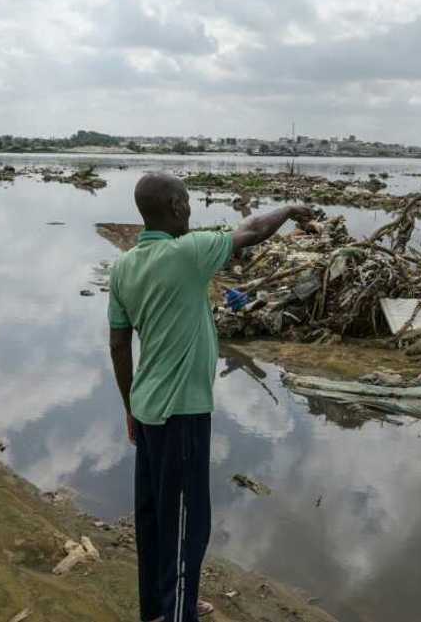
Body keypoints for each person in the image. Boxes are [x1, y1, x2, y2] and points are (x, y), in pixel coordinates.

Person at [108, 172, 313, 622]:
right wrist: (293, 210)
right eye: (188, 202)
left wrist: (127, 407)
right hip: (182, 413)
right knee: (186, 525)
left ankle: (159, 608)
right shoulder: (189, 252)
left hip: (145, 409)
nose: (192, 209)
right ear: (177, 207)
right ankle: (179, 612)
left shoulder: (123, 266)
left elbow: (120, 345)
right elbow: (254, 230)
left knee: (155, 520)